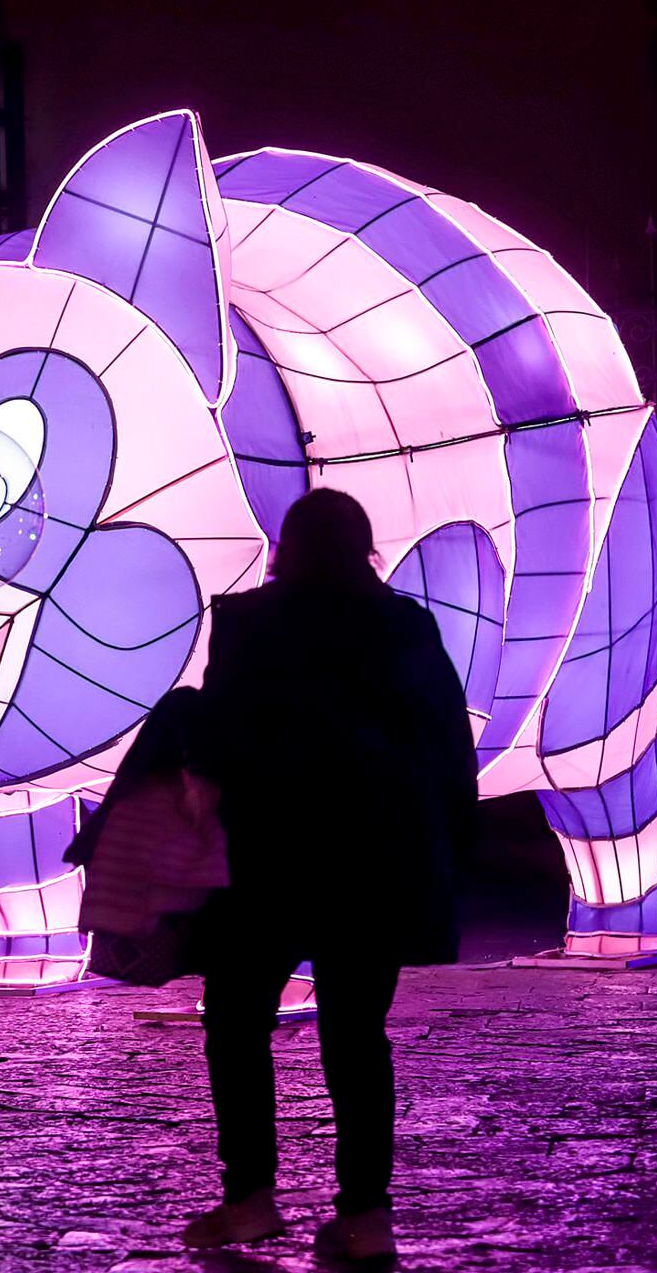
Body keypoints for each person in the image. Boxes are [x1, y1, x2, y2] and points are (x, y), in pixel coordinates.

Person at [187, 489, 477, 1266]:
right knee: (356, 1037)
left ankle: (249, 1196)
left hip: (267, 857)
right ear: (365, 547)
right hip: (374, 861)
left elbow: (219, 737)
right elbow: (448, 741)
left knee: (238, 1023)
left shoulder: (247, 624)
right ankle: (365, 1215)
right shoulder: (405, 626)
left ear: (286, 546)